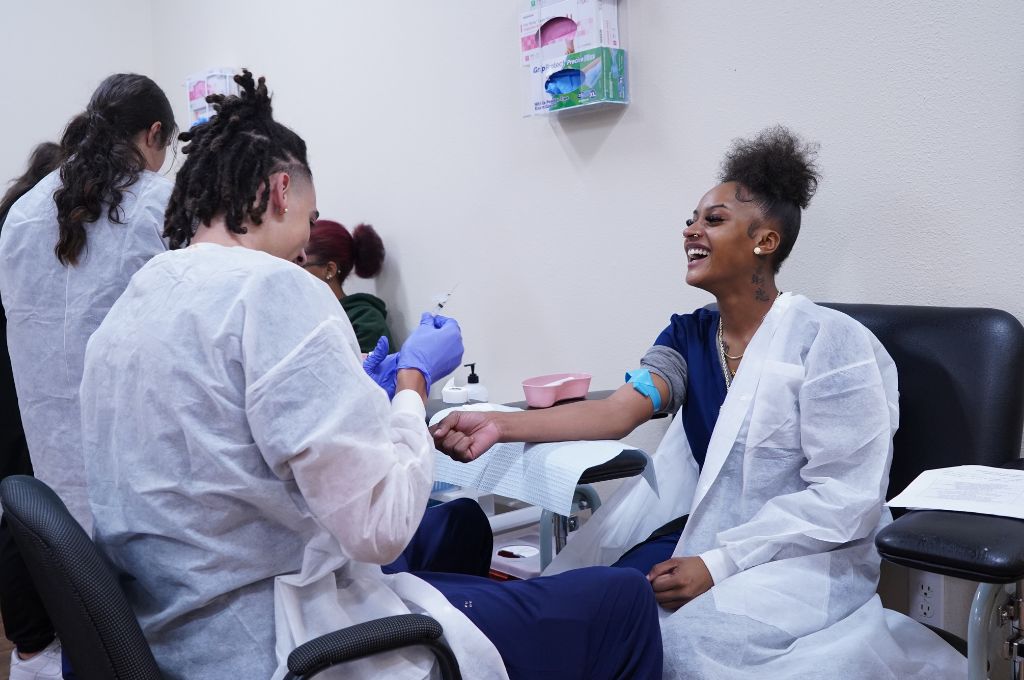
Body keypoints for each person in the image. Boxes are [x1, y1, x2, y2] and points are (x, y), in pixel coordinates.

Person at [79, 70, 661, 680]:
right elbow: (380, 529)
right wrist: (412, 381)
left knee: (455, 533)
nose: (305, 242)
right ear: (281, 191)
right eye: (309, 219)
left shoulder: (135, 302)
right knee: (620, 603)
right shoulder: (273, 289)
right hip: (277, 643)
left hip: (171, 634)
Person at [432, 126, 967, 679]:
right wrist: (497, 423)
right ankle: (440, 614)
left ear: (765, 241)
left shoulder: (832, 344)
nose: (690, 231)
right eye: (690, 219)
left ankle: (440, 611)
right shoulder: (688, 339)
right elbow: (615, 413)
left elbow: (845, 498)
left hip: (807, 557)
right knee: (596, 606)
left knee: (679, 642)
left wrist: (719, 563)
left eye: (713, 220)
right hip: (700, 533)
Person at [0, 73, 176, 537]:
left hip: (50, 462)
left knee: (75, 581)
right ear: (154, 133)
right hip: (140, 459)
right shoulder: (158, 205)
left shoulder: (23, 213)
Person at [0, 141, 64, 680]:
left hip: (19, 391)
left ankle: (31, 647)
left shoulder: (13, 227)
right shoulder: (24, 237)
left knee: (18, 506)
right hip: (16, 392)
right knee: (23, 510)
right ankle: (32, 650)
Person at [303, 219, 394, 353]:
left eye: (298, 264)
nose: (291, 272)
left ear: (329, 270)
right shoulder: (302, 316)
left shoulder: (365, 321)